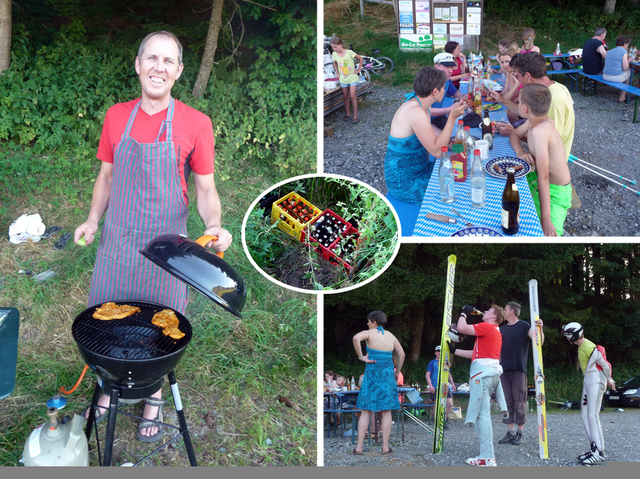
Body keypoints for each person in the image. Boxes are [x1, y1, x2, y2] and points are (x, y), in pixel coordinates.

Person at [75, 30, 232, 442]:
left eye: (168, 61)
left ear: (178, 71)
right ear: (138, 64)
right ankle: (109, 385)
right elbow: (106, 176)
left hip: (167, 248)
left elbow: (205, 188)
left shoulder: (196, 123)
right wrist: (93, 220)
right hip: (119, 241)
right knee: (105, 313)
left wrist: (213, 226)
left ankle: (153, 395)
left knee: (161, 322)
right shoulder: (115, 116)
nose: (158, 67)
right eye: (151, 58)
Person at [383, 66, 466, 205]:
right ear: (435, 91)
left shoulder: (419, 103)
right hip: (404, 181)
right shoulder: (416, 112)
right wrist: (451, 118)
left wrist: (449, 139)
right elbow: (438, 152)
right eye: (443, 87)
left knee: (457, 173)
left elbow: (429, 129)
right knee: (453, 193)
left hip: (419, 169)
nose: (445, 90)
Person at [509, 84, 572, 236]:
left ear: (525, 108)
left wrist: (546, 221)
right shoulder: (534, 120)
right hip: (537, 178)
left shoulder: (540, 131)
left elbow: (543, 176)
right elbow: (514, 135)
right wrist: (520, 152)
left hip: (555, 190)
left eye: (518, 102)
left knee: (551, 234)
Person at [449, 305, 507, 467]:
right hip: (490, 375)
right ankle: (487, 455)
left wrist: (464, 313)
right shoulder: (494, 331)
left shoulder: (487, 327)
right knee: (483, 414)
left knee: (482, 416)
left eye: (488, 311)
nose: (485, 312)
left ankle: (487, 457)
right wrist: (454, 351)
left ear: (494, 316)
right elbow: (475, 354)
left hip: (481, 375)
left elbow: (461, 327)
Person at [491, 52, 575, 163]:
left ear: (528, 76)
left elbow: (550, 145)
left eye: (519, 77)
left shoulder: (553, 100)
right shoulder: (552, 88)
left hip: (548, 163)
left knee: (498, 151)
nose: (519, 81)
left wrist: (515, 133)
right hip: (538, 152)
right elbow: (522, 112)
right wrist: (502, 100)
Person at [561, 322, 615, 465]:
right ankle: (594, 448)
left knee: (592, 415)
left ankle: (599, 452)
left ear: (574, 336)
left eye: (568, 336)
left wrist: (609, 379)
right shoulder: (581, 346)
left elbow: (605, 364)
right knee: (584, 415)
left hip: (596, 380)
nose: (567, 339)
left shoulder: (589, 347)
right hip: (589, 380)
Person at [352, 310, 405, 455]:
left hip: (372, 375)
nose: (367, 323)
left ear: (374, 322)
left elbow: (356, 338)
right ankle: (385, 447)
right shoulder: (391, 336)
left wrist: (361, 356)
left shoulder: (369, 333)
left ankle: (359, 448)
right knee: (386, 411)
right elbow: (402, 354)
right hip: (387, 376)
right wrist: (396, 372)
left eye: (368, 321)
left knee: (365, 411)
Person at [497, 302, 544, 446]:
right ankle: (509, 432)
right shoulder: (502, 328)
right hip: (503, 370)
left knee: (520, 401)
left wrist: (540, 329)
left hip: (519, 369)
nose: (503, 311)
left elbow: (539, 343)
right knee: (507, 401)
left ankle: (520, 433)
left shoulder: (524, 326)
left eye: (505, 309)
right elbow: (497, 349)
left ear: (511, 311)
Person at [430, 52, 466, 133]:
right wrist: (449, 109)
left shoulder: (447, 80)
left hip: (439, 116)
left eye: (451, 67)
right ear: (436, 67)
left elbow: (454, 92)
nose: (450, 71)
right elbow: (423, 110)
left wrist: (464, 98)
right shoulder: (428, 82)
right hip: (426, 120)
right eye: (446, 66)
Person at [330, 36, 363, 124]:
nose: (334, 49)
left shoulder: (349, 52)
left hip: (352, 77)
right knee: (345, 97)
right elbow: (334, 62)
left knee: (352, 96)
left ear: (341, 45)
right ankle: (348, 114)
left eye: (335, 47)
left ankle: (355, 115)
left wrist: (358, 70)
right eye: (332, 47)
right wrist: (337, 72)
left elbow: (360, 58)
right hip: (343, 78)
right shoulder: (334, 54)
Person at [425, 345, 456, 429]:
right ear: (435, 352)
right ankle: (437, 422)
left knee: (449, 403)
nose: (439, 352)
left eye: (441, 351)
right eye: (438, 351)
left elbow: (448, 374)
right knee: (437, 404)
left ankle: (444, 420)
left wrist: (452, 383)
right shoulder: (432, 362)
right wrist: (430, 386)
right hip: (435, 386)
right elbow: (427, 375)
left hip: (445, 386)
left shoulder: (445, 362)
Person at [603, 35, 632, 103]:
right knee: (629, 71)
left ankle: (625, 92)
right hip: (615, 77)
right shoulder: (624, 51)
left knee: (626, 72)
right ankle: (622, 96)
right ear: (624, 44)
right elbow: (625, 67)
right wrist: (629, 59)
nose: (627, 46)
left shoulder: (610, 51)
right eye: (627, 44)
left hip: (605, 76)